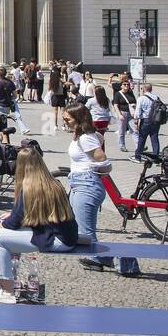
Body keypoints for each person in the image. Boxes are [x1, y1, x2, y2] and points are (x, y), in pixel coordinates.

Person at [0, 149, 79, 303]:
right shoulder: (54, 183)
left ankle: (5, 291)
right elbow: (38, 214)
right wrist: (12, 214)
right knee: (5, 233)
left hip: (55, 240)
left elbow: (13, 224)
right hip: (67, 236)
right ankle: (5, 275)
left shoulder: (29, 188)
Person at [67, 105, 139, 276]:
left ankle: (114, 260)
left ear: (78, 120)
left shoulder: (86, 138)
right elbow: (98, 139)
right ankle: (99, 258)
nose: (65, 122)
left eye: (67, 119)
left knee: (85, 232)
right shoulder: (85, 136)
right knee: (81, 229)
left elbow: (105, 164)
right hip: (80, 184)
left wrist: (90, 169)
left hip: (86, 185)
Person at [0, 65, 28, 135]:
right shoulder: (10, 83)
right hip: (6, 105)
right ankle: (5, 137)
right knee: (4, 122)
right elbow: (15, 95)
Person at [132, 83, 163, 161]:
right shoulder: (157, 98)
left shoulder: (141, 98)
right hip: (155, 121)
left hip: (145, 121)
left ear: (143, 89)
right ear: (151, 89)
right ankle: (156, 157)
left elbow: (138, 112)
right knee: (154, 138)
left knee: (142, 138)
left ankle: (138, 156)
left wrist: (136, 122)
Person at [113, 78, 136, 154]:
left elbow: (134, 101)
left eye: (128, 85)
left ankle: (139, 145)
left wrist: (134, 105)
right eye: (124, 84)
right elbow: (115, 105)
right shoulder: (118, 94)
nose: (126, 86)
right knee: (122, 131)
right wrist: (119, 114)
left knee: (135, 130)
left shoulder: (130, 92)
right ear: (121, 86)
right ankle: (122, 145)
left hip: (131, 113)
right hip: (122, 113)